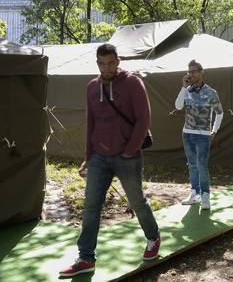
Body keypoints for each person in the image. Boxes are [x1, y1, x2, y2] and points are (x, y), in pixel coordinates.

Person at [59, 43, 160, 277]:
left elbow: (143, 119)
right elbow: (91, 123)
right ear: (97, 63)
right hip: (98, 158)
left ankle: (153, 237)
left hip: (128, 156)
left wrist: (130, 150)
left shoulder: (133, 83)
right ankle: (86, 258)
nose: (107, 67)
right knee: (91, 207)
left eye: (111, 62)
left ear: (118, 61)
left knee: (137, 201)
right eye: (102, 63)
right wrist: (88, 157)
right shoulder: (92, 87)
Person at [174, 60, 223, 210]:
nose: (191, 74)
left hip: (203, 135)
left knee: (202, 166)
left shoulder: (211, 92)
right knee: (192, 166)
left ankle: (205, 195)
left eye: (194, 71)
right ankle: (194, 193)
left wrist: (214, 130)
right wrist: (183, 88)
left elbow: (219, 112)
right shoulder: (187, 90)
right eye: (189, 71)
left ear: (202, 72)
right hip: (187, 134)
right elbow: (178, 106)